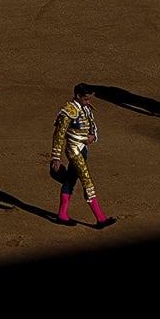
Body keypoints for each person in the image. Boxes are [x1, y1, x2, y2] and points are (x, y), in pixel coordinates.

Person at [50, 85, 113, 228]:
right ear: (77, 96)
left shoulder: (85, 108)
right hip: (74, 150)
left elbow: (91, 126)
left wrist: (91, 137)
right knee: (87, 180)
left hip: (83, 149)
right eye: (85, 98)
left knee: (70, 181)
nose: (88, 101)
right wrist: (56, 157)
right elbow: (59, 134)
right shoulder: (68, 112)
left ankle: (62, 215)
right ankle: (100, 218)